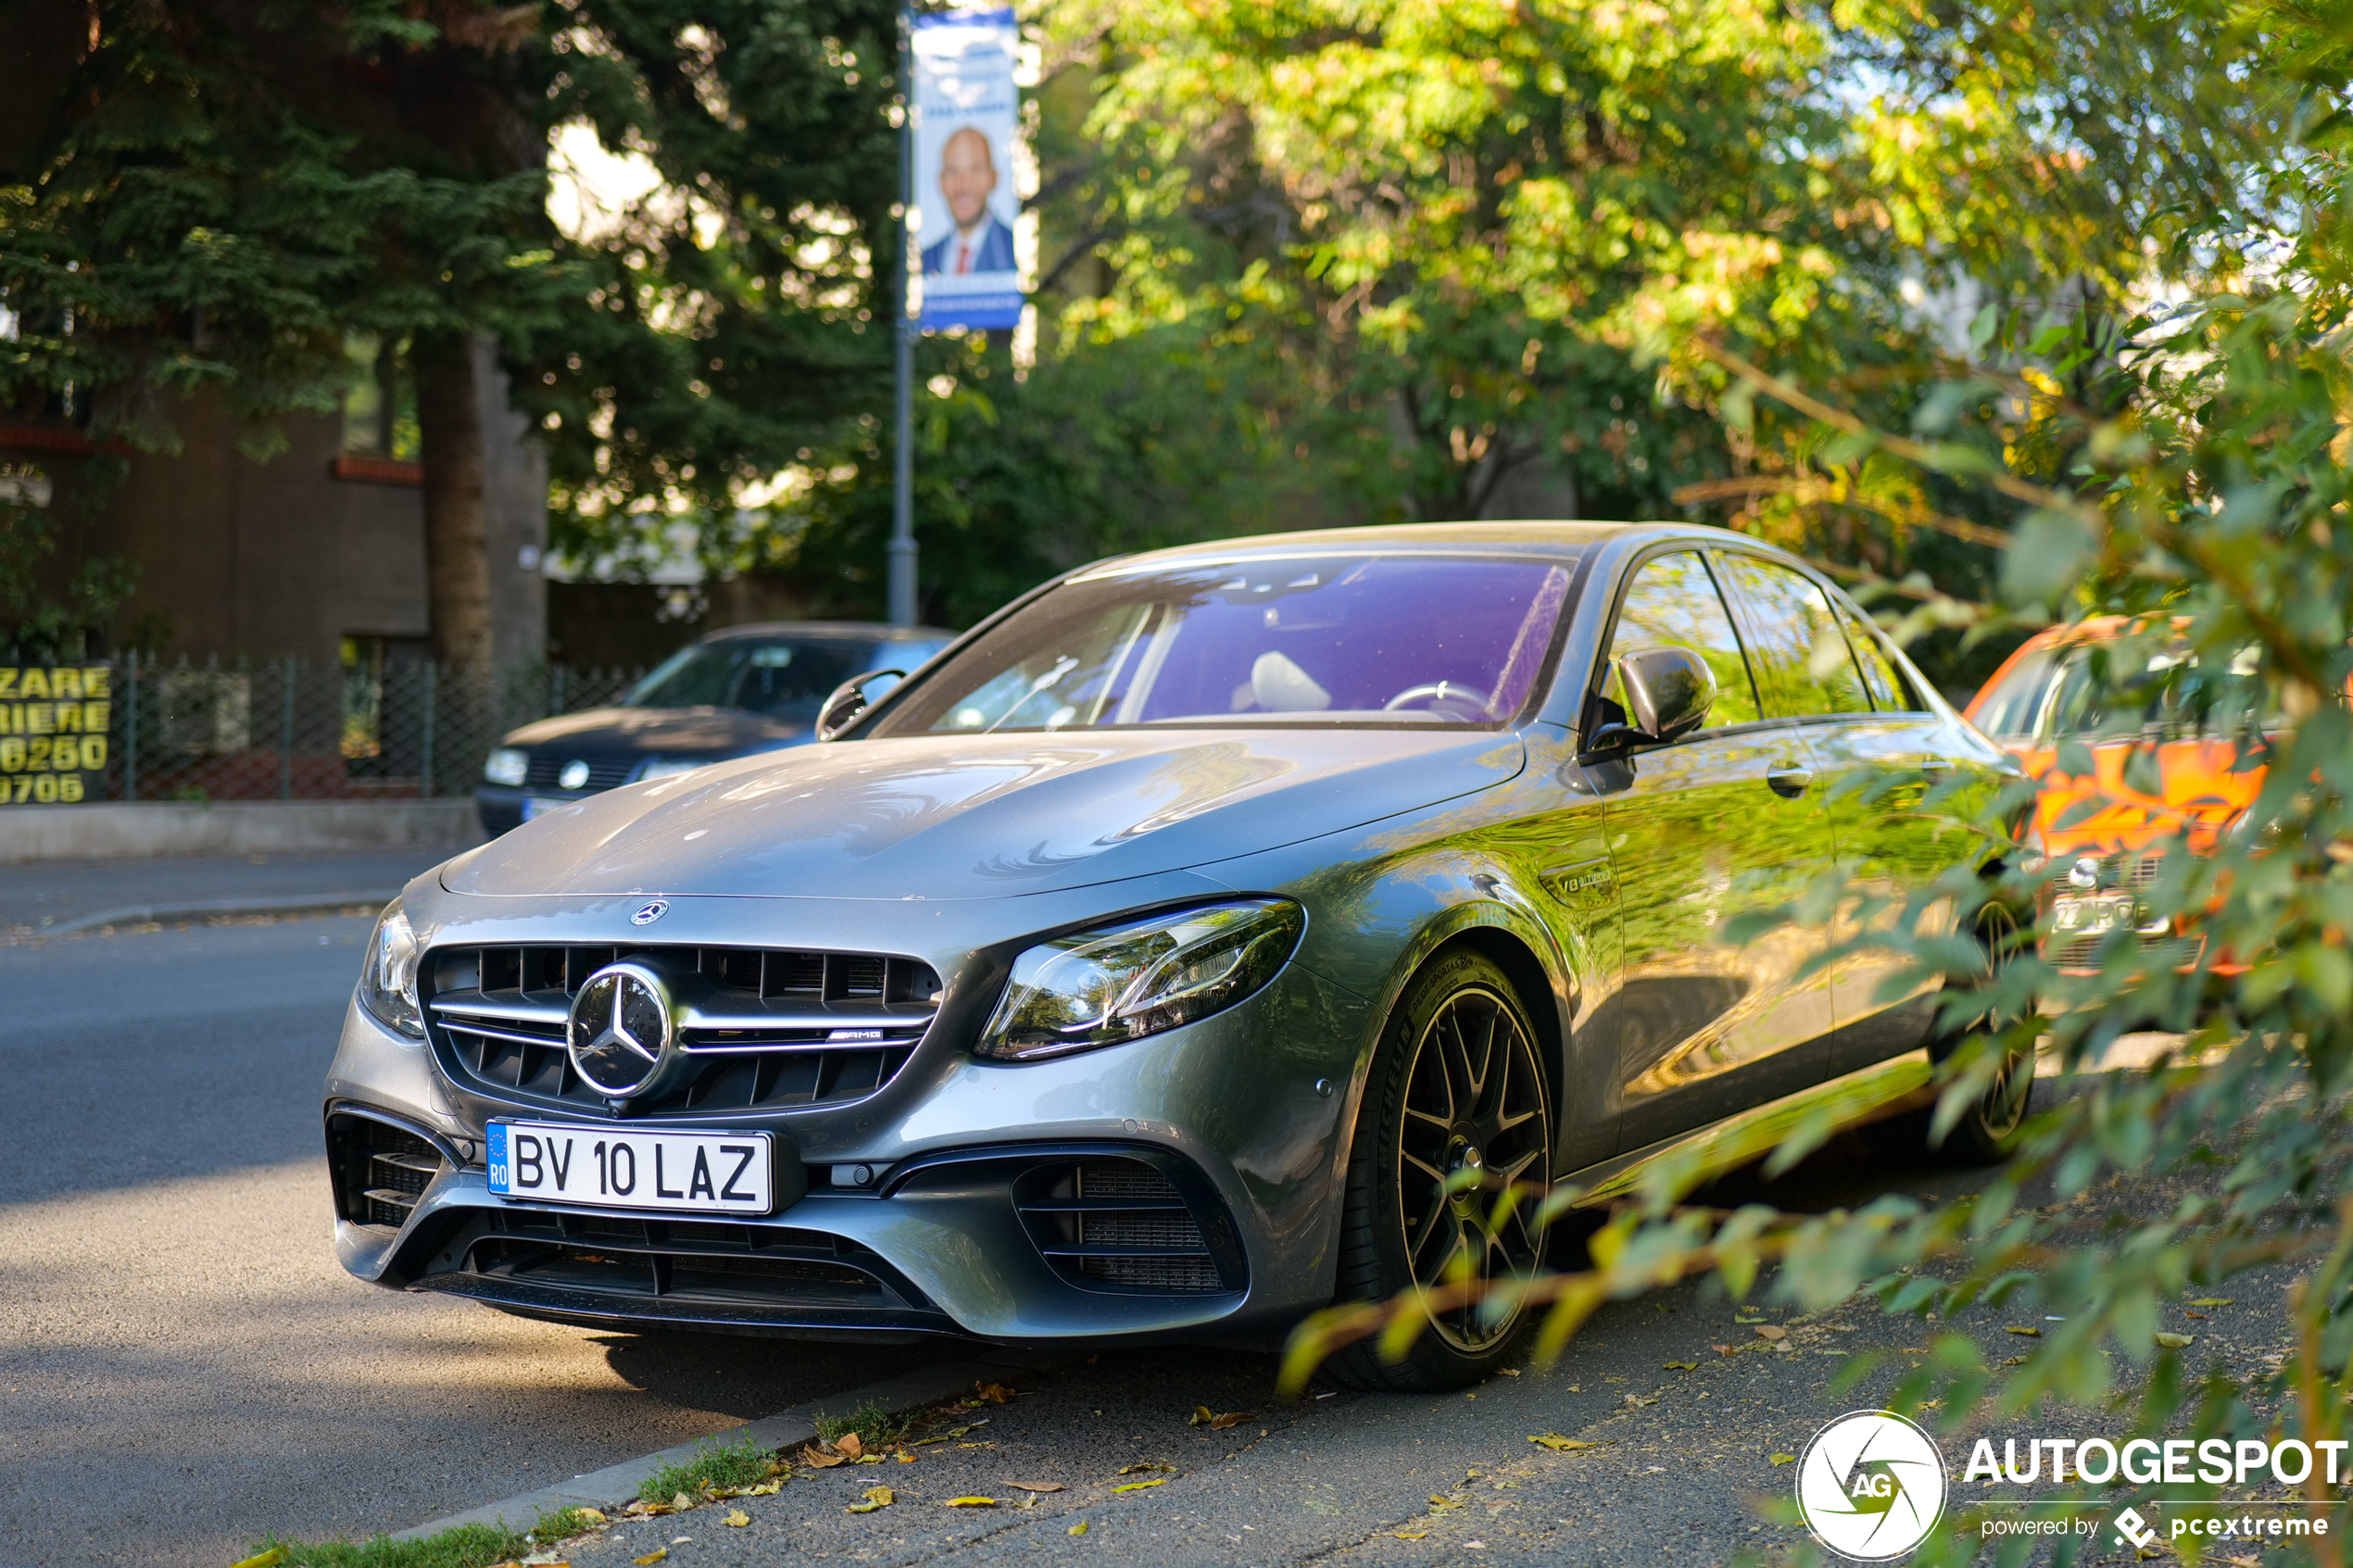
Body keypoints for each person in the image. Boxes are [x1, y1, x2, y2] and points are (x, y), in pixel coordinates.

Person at [921, 126, 1016, 276]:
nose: (963, 186)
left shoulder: (1015, 249)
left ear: (993, 178)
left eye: (975, 170)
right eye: (953, 171)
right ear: (940, 181)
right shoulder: (926, 259)